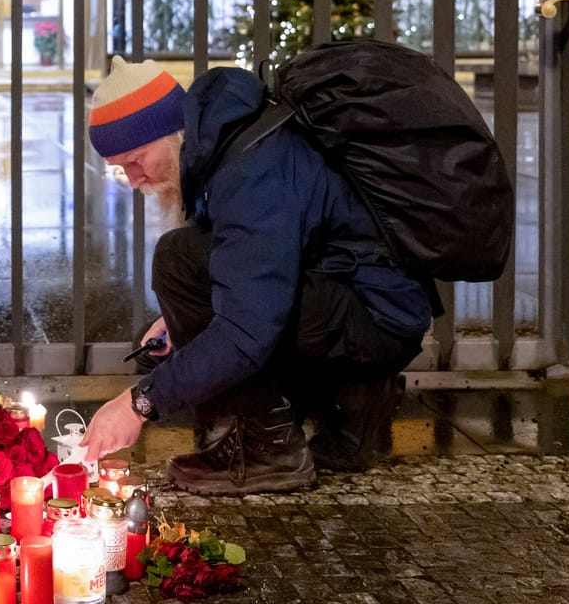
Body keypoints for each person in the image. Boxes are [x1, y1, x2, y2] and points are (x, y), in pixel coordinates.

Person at [80, 58, 431, 495]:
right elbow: (249, 265)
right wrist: (178, 323)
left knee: (179, 261)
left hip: (376, 317)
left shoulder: (250, 170)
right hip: (353, 300)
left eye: (135, 160)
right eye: (121, 169)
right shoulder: (227, 144)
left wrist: (139, 404)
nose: (133, 180)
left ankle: (269, 451)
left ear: (170, 131)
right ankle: (346, 403)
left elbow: (247, 330)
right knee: (174, 322)